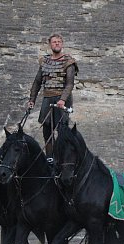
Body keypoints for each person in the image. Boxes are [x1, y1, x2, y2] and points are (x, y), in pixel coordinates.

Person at [28, 33, 78, 164]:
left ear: (62, 44)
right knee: (46, 129)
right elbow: (37, 82)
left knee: (62, 129)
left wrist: (62, 99)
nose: (57, 43)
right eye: (54, 42)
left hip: (62, 99)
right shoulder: (45, 61)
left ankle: (63, 156)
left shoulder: (68, 61)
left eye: (59, 41)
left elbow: (69, 84)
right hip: (47, 98)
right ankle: (50, 156)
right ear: (50, 44)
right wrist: (32, 99)